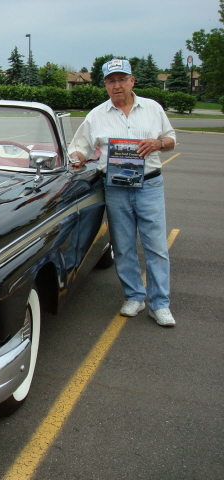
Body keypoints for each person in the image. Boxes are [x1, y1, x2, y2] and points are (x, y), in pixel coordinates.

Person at [69, 58, 177, 327]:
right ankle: (134, 297)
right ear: (105, 85)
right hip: (115, 188)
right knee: (123, 246)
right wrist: (78, 157)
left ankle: (160, 304)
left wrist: (158, 143)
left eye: (121, 79)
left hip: (149, 185)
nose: (116, 85)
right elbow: (79, 147)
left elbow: (172, 139)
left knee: (156, 247)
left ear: (132, 81)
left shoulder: (152, 109)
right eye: (110, 81)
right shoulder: (96, 116)